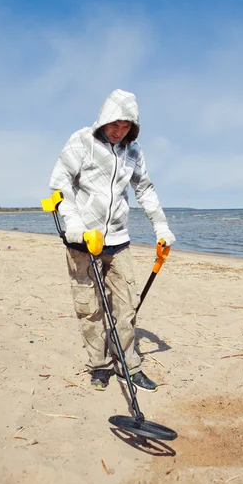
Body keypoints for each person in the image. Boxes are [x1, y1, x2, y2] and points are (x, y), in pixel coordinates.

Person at [49, 89, 176, 392]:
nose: (119, 132)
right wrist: (75, 223)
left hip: (119, 242)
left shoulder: (133, 151)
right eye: (114, 125)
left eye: (126, 127)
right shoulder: (82, 140)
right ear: (104, 120)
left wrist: (161, 226)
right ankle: (99, 365)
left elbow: (144, 188)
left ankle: (128, 366)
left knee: (126, 307)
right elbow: (59, 183)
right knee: (89, 309)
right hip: (83, 242)